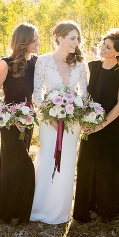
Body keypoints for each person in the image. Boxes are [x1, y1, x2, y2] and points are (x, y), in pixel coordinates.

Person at [30, 21, 88, 224]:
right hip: (49, 120)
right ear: (59, 38)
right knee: (48, 156)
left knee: (67, 161)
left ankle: (60, 212)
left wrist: (79, 112)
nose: (76, 42)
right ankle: (40, 206)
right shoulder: (43, 61)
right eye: (73, 38)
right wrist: (50, 114)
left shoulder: (80, 64)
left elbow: (84, 93)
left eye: (78, 38)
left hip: (72, 123)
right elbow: (37, 92)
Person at [73, 29, 119, 223]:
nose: (102, 48)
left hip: (112, 127)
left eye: (108, 47)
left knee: (107, 168)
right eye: (102, 44)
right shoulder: (91, 66)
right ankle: (84, 210)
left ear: (118, 52)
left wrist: (102, 125)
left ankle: (105, 210)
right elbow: (83, 96)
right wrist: (83, 119)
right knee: (86, 165)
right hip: (89, 124)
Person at [0, 23, 40, 225]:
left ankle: (19, 210)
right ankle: (6, 210)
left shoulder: (37, 62)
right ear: (24, 41)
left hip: (28, 119)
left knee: (19, 163)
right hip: (9, 120)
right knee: (16, 163)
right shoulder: (6, 63)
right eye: (35, 40)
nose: (38, 43)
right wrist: (10, 118)